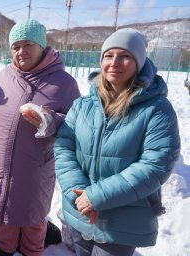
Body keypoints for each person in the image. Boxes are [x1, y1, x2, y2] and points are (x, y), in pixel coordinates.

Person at [54, 28, 181, 256]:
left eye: (125, 56)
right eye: (108, 55)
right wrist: (79, 195)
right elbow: (64, 147)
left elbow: (156, 165)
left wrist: (96, 197)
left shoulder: (156, 109)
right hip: (80, 214)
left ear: (139, 63)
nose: (115, 63)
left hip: (121, 222)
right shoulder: (84, 105)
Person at [0, 20, 80, 256]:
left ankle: (32, 250)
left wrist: (50, 121)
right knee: (4, 214)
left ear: (42, 45)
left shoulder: (64, 82)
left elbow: (78, 126)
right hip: (0, 161)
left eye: (28, 45)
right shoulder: (4, 76)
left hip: (34, 166)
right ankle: (4, 249)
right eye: (16, 46)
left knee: (32, 219)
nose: (21, 51)